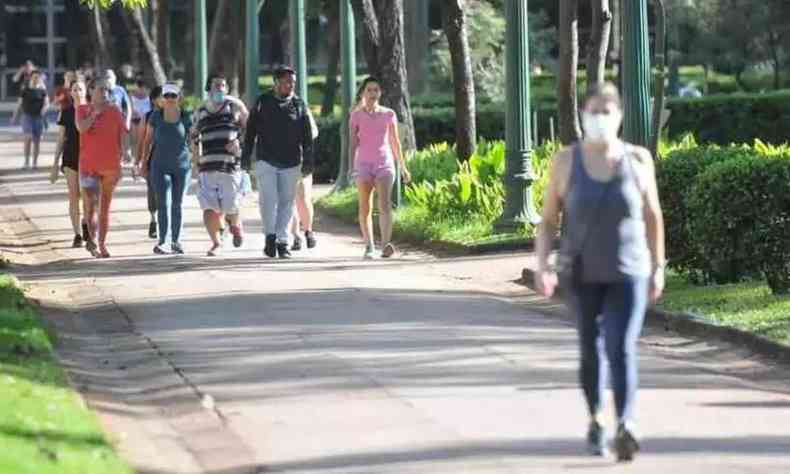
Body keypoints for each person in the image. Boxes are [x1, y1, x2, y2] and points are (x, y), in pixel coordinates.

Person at [535, 82, 666, 462]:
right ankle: (596, 419)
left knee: (621, 347)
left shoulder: (639, 160)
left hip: (630, 272)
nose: (600, 119)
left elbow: (653, 217)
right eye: (593, 111)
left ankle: (626, 423)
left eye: (607, 111)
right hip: (580, 272)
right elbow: (547, 223)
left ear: (620, 116)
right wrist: (543, 265)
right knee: (590, 350)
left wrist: (658, 267)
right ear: (583, 116)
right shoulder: (565, 162)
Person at [242, 66, 314, 259]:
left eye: (292, 82)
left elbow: (306, 135)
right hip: (266, 159)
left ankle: (282, 241)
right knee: (268, 200)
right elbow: (250, 131)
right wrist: (246, 156)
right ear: (276, 83)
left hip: (291, 161)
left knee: (287, 202)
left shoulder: (299, 104)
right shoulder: (262, 102)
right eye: (286, 82)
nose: (290, 85)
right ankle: (270, 236)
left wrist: (308, 160)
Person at [349, 76, 410, 259]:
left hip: (384, 164)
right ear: (363, 93)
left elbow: (395, 142)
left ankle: (385, 245)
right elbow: (353, 143)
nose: (373, 93)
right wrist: (351, 167)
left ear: (380, 93)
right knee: (365, 207)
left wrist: (403, 167)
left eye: (376, 90)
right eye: (369, 90)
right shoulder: (356, 115)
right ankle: (369, 245)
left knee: (384, 204)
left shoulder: (389, 114)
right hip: (363, 165)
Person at [192, 73, 249, 257]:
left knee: (230, 206)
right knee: (208, 208)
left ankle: (235, 224)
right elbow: (193, 138)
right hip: (207, 166)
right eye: (216, 85)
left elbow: (250, 128)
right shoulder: (200, 111)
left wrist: (239, 141)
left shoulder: (234, 107)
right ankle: (216, 242)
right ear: (209, 89)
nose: (220, 89)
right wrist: (195, 163)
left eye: (223, 85)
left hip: (230, 166)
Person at [75, 78, 127, 258]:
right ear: (91, 91)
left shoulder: (115, 111)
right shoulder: (82, 110)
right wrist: (94, 114)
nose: (104, 93)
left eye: (106, 90)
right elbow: (81, 128)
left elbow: (123, 134)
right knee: (91, 206)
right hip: (88, 166)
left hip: (111, 166)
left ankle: (102, 244)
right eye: (100, 89)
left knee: (105, 207)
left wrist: (125, 156)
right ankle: (94, 240)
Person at [137, 83, 192, 255]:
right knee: (163, 203)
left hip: (181, 166)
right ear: (162, 98)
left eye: (173, 96)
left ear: (179, 98)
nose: (169, 99)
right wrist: (144, 162)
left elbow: (192, 140)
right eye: (166, 96)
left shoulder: (185, 116)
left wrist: (196, 161)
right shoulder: (156, 116)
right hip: (159, 165)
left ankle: (176, 241)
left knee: (178, 204)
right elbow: (147, 141)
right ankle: (162, 241)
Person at [51, 79, 87, 248]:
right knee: (74, 196)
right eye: (75, 89)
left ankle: (87, 224)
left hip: (89, 159)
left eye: (80, 89)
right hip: (70, 157)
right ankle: (77, 234)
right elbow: (60, 139)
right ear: (71, 93)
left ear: (85, 91)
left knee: (87, 196)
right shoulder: (66, 112)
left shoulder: (92, 110)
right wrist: (54, 164)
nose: (78, 92)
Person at [289, 108, 319, 252]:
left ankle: (308, 231)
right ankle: (295, 235)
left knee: (304, 197)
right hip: (282, 162)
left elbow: (313, 132)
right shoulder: (271, 108)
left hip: (301, 161)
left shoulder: (301, 108)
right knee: (289, 200)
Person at [135, 85, 163, 239]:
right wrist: (138, 161)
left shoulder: (175, 115)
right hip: (152, 160)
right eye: (162, 96)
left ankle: (166, 223)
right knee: (153, 193)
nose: (166, 99)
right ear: (153, 100)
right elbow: (141, 141)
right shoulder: (147, 116)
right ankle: (153, 220)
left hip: (172, 160)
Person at [11, 70, 49, 170]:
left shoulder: (42, 90)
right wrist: (15, 116)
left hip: (38, 117)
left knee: (37, 141)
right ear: (31, 78)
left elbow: (46, 103)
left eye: (38, 77)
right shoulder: (25, 89)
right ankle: (26, 162)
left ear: (40, 79)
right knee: (28, 138)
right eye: (34, 77)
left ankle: (35, 163)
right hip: (27, 116)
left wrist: (44, 110)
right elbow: (19, 103)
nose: (36, 79)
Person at [103, 69, 133, 162]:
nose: (108, 79)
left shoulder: (120, 90)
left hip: (118, 122)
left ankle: (119, 161)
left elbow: (128, 107)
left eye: (110, 77)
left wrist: (127, 121)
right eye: (106, 77)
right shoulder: (102, 91)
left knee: (119, 145)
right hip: (105, 123)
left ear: (114, 78)